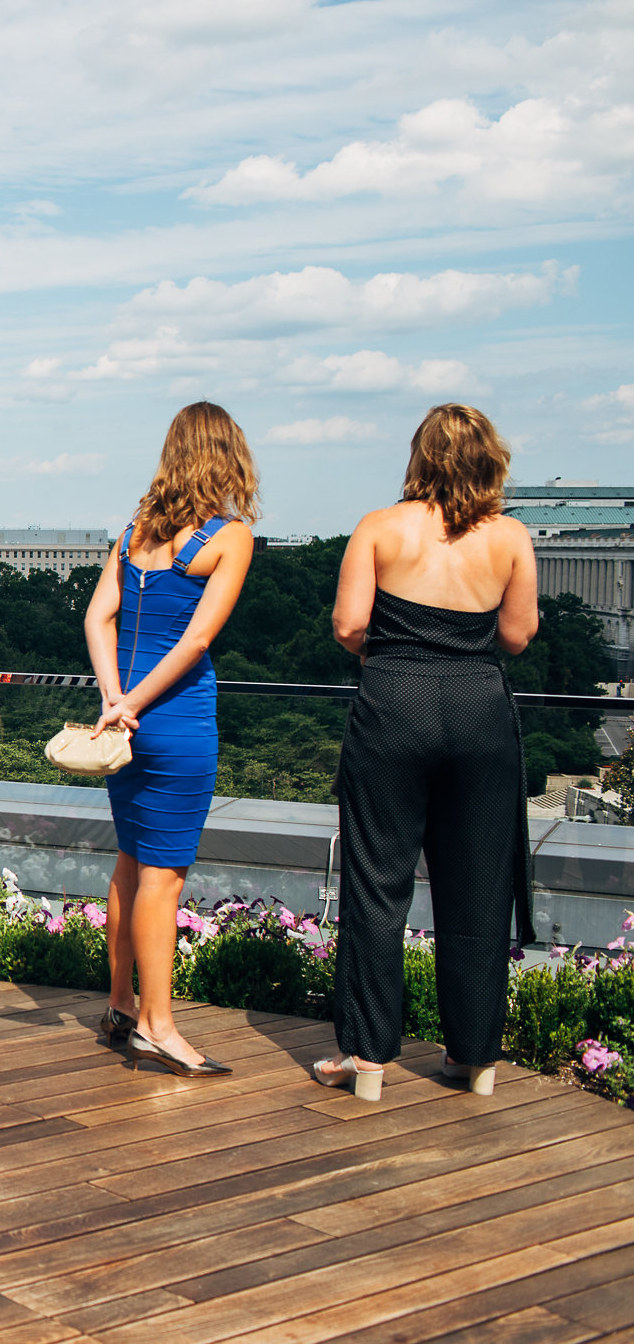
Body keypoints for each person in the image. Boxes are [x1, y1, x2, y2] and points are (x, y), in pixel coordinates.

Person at [314, 404, 536, 1102]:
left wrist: (395, 651)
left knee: (377, 885)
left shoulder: (380, 527)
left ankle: (369, 1059)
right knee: (478, 886)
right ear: (488, 459)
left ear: (420, 456)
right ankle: (476, 1060)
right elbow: (519, 635)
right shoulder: (510, 537)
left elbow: (349, 625)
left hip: (393, 702)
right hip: (478, 706)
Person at [84, 401, 257, 1078]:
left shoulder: (133, 535)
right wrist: (140, 703)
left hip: (125, 727)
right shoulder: (229, 536)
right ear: (228, 456)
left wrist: (115, 701)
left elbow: (98, 617)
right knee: (164, 877)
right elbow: (198, 639)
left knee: (130, 863)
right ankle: (159, 1027)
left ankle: (123, 1005)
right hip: (177, 720)